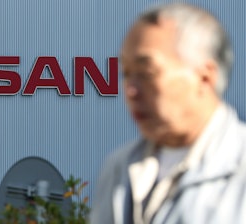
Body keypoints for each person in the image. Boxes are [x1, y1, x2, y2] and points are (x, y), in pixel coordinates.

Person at [90, 3, 246, 224]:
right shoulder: (118, 169)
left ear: (204, 77)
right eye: (125, 73)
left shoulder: (239, 167)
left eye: (147, 73)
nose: (131, 90)